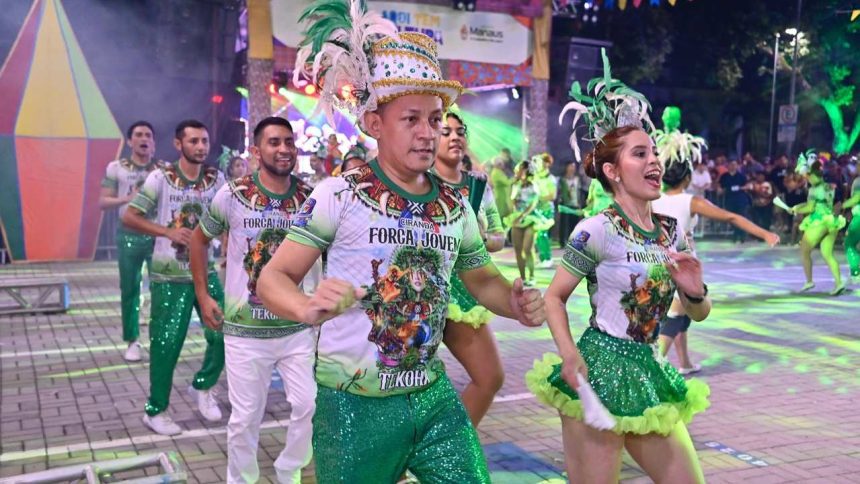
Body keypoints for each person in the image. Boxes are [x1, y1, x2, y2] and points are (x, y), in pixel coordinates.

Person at [261, 5, 546, 482]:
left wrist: (513, 304)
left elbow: (482, 280)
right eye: (411, 118)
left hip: (432, 398)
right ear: (374, 124)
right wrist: (307, 307)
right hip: (353, 406)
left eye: (435, 119)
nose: (427, 132)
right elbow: (273, 276)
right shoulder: (339, 194)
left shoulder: (456, 206)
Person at [527, 52, 710, 483]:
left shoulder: (671, 232)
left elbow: (699, 313)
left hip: (649, 370)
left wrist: (694, 291)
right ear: (611, 170)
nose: (654, 162)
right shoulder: (597, 230)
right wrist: (570, 356)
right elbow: (554, 298)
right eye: (639, 154)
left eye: (654, 153)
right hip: (600, 370)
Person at [190, 117, 319, 483]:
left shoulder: (309, 197)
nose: (284, 149)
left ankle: (289, 469)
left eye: (289, 142)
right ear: (257, 150)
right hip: (245, 331)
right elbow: (199, 240)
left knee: (308, 405)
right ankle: (241, 480)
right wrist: (203, 294)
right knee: (245, 418)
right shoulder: (232, 195)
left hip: (296, 327)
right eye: (275, 142)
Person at [122, 119, 226, 436]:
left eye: (205, 141)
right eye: (193, 141)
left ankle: (203, 385)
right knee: (167, 345)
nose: (201, 147)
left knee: (227, 332)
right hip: (169, 276)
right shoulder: (161, 178)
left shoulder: (216, 178)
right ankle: (156, 410)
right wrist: (167, 231)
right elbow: (130, 216)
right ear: (179, 145)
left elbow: (228, 218)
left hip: (206, 273)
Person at [652, 131, 779, 374]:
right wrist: (764, 234)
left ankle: (685, 363)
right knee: (678, 314)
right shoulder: (691, 201)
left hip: (659, 262)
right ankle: (652, 370)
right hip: (683, 266)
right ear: (687, 178)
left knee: (683, 312)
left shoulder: (652, 199)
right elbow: (731, 216)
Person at [432, 112, 506, 425]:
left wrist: (481, 237)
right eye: (445, 131)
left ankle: (455, 446)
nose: (454, 137)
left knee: (490, 377)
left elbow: (499, 236)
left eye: (460, 131)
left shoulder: (478, 185)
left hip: (464, 290)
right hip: (421, 287)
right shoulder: (419, 181)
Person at [99, 121, 161, 362]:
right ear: (129, 141)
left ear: (153, 143)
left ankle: (159, 339)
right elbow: (103, 202)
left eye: (148, 135)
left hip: (158, 236)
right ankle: (132, 341)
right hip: (128, 235)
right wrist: (127, 198)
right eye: (139, 134)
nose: (144, 138)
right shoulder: (117, 168)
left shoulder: (163, 169)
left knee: (162, 290)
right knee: (130, 289)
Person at [790, 154, 846, 295]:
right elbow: (827, 203)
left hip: (819, 222)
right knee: (827, 254)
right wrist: (797, 206)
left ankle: (809, 281)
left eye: (807, 177)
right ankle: (839, 283)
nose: (806, 179)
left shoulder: (814, 190)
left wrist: (797, 209)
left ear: (812, 175)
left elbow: (810, 208)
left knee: (804, 249)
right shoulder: (829, 187)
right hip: (831, 221)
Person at [534, 153, 558, 268]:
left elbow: (552, 196)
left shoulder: (551, 179)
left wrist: (539, 199)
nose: (538, 164)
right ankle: (542, 258)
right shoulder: (535, 177)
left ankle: (547, 258)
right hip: (536, 209)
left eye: (540, 161)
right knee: (537, 235)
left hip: (547, 209)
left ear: (547, 163)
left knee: (542, 234)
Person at [718, 160, 750, 243]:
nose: (733, 166)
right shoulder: (724, 176)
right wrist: (720, 190)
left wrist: (741, 188)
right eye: (731, 164)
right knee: (732, 219)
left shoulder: (741, 176)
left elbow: (747, 186)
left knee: (741, 218)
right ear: (728, 166)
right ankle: (735, 234)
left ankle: (741, 236)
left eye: (735, 164)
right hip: (729, 200)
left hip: (740, 200)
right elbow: (720, 187)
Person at [557, 161, 584, 246]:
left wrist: (580, 203)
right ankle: (562, 241)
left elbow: (579, 191)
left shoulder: (577, 179)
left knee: (574, 223)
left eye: (573, 166)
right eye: (570, 166)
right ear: (566, 167)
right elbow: (559, 191)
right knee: (564, 223)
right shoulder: (562, 179)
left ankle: (573, 241)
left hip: (575, 204)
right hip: (565, 204)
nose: (572, 168)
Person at [489, 149, 515, 224]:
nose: (503, 164)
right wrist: (515, 178)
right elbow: (507, 182)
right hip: (500, 196)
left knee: (504, 213)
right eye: (501, 163)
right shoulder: (496, 173)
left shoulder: (499, 171)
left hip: (503, 195)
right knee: (501, 214)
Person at [842, 175, 860, 284]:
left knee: (849, 244)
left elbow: (856, 198)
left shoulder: (858, 181)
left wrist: (841, 206)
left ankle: (856, 273)